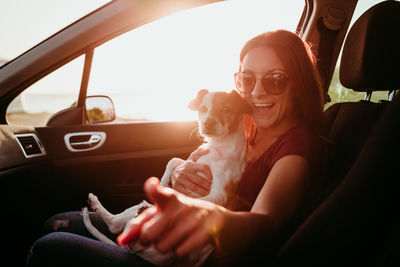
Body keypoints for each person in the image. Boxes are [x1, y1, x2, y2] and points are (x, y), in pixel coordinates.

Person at [27, 29, 327, 266]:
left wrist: (208, 217)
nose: (256, 92)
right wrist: (183, 171)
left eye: (275, 80)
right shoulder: (246, 124)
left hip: (195, 256)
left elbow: (266, 222)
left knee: (50, 247)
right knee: (56, 222)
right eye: (247, 79)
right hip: (173, 234)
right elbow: (207, 160)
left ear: (298, 84)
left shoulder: (296, 150)